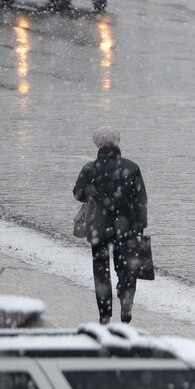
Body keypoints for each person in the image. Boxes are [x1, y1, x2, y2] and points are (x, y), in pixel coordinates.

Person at [72, 128, 147, 324]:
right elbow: (140, 199)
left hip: (99, 227)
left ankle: (105, 313)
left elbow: (78, 193)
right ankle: (126, 303)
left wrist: (92, 190)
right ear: (118, 144)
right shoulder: (131, 168)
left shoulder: (89, 169)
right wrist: (140, 224)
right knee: (127, 268)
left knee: (101, 271)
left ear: (97, 145)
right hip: (127, 226)